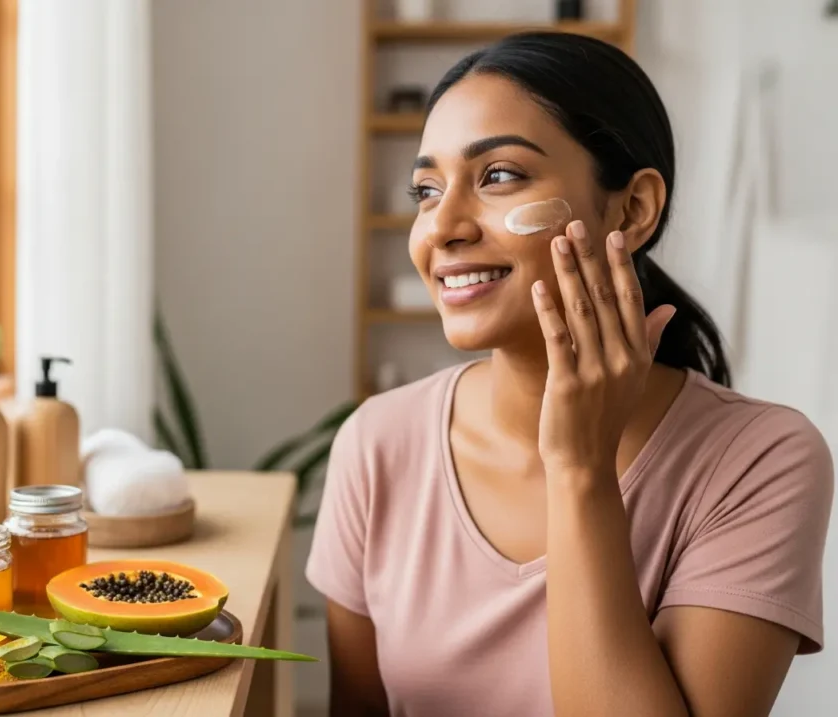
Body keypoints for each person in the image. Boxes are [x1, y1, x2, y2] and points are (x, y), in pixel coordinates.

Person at [305, 32, 834, 717]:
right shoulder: (377, 443)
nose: (443, 227)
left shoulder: (763, 460)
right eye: (426, 190)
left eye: (498, 175)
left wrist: (581, 468)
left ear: (631, 208)